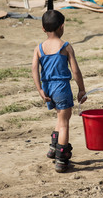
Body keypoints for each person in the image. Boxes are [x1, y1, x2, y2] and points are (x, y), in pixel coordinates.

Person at [32, 10, 86, 173]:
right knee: (64, 123)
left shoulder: (39, 48)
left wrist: (40, 89)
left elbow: (34, 69)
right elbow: (75, 71)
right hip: (61, 88)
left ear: (43, 28)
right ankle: (61, 158)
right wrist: (81, 89)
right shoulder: (66, 47)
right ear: (62, 27)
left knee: (60, 117)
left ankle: (53, 147)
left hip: (48, 88)